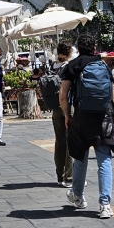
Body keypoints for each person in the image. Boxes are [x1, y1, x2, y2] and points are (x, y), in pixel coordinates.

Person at [61, 34, 114, 218]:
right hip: (103, 118)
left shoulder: (73, 66)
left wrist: (67, 116)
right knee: (104, 159)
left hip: (81, 117)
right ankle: (105, 205)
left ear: (78, 48)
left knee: (80, 156)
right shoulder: (104, 65)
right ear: (94, 47)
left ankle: (78, 196)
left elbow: (63, 96)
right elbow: (111, 94)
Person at [39, 43, 74, 186]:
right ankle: (69, 177)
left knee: (59, 141)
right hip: (67, 106)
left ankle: (59, 175)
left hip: (55, 107)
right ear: (69, 52)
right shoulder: (69, 67)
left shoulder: (51, 67)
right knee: (70, 141)